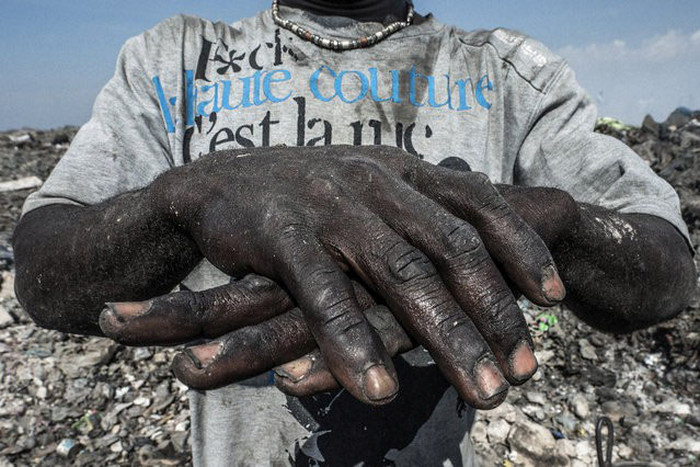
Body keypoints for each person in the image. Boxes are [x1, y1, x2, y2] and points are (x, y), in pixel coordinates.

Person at [12, 0, 695, 465]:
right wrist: (186, 198)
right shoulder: (178, 61)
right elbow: (45, 264)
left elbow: (663, 261)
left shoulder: (507, 73)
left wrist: (494, 221)